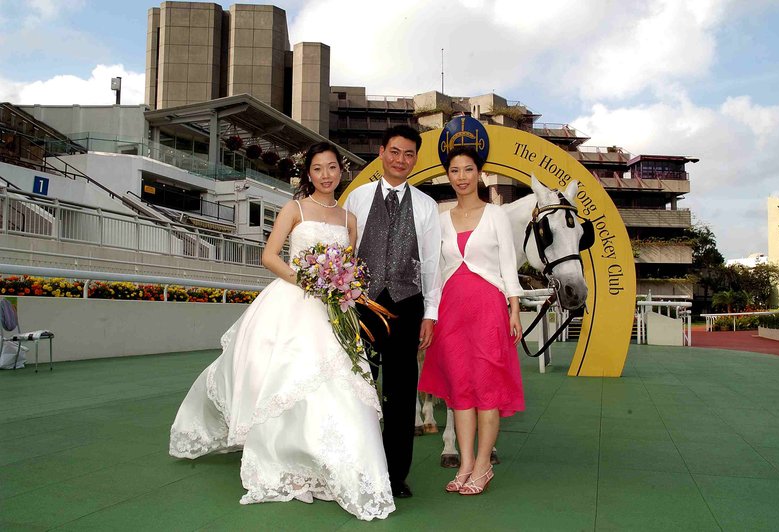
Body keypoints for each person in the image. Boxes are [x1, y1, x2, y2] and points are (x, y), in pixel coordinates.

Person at [168, 142, 395, 521]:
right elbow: (269, 256)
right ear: (308, 173)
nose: (326, 175)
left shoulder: (349, 219)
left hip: (334, 311)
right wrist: (308, 280)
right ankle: (287, 462)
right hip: (294, 302)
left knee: (339, 386)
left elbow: (349, 267)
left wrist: (339, 286)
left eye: (332, 167)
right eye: (318, 168)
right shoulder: (295, 209)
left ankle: (332, 466)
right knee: (288, 379)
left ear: (341, 171)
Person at [418, 146, 525, 496]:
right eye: (454, 170)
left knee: (487, 388)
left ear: (479, 173)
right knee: (460, 391)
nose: (461, 177)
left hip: (488, 310)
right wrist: (431, 315)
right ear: (447, 175)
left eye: (468, 169)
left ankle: (482, 466)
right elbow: (434, 272)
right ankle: (465, 465)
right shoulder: (441, 219)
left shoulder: (496, 215)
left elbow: (508, 264)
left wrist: (514, 308)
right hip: (451, 313)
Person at [343, 125, 442, 499]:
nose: (401, 160)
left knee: (401, 395)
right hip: (362, 305)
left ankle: (395, 474)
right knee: (359, 388)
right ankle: (358, 466)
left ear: (416, 159)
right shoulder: (356, 198)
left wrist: (430, 313)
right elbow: (346, 252)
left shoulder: (427, 206)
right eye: (395, 152)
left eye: (409, 154)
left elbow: (431, 262)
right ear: (382, 152)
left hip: (407, 303)